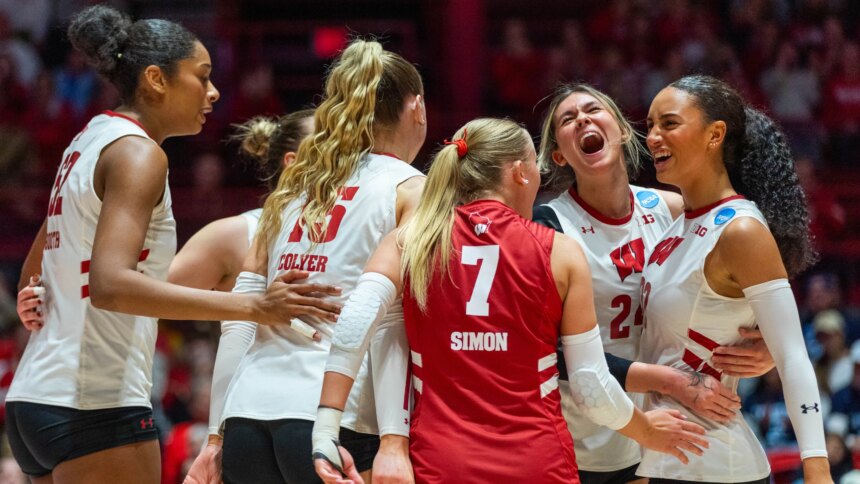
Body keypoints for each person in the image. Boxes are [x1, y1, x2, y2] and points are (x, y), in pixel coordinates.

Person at [9, 6, 339, 484]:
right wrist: (256, 306)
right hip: (94, 403)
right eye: (201, 77)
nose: (214, 91)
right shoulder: (139, 154)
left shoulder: (88, 139)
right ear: (155, 79)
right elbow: (110, 286)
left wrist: (40, 295)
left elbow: (33, 270)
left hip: (35, 398)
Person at [312, 118, 709, 484]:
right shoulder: (560, 252)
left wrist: (326, 429)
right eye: (535, 166)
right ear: (520, 171)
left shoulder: (411, 241)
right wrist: (645, 430)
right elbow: (589, 385)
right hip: (538, 461)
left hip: (441, 461)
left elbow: (355, 322)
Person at [533, 83, 776, 484]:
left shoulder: (670, 207)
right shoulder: (549, 225)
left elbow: (758, 262)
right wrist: (670, 381)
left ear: (622, 130)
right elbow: (549, 351)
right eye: (568, 119)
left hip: (670, 432)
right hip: (587, 440)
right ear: (559, 154)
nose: (582, 120)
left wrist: (770, 342)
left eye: (593, 110)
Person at [212, 38, 427, 484]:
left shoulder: (290, 189)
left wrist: (215, 436)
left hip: (247, 417)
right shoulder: (411, 188)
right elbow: (389, 324)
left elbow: (239, 323)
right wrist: (395, 440)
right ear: (417, 108)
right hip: (336, 421)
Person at [640, 74, 831, 483]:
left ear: (715, 135)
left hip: (710, 464)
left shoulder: (740, 230)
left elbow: (793, 357)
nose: (653, 137)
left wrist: (817, 470)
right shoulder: (679, 224)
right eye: (650, 125)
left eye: (669, 124)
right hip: (663, 458)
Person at [164, 109, 314, 483]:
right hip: (250, 417)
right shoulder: (237, 233)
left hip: (320, 414)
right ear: (293, 161)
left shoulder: (354, 226)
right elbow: (140, 295)